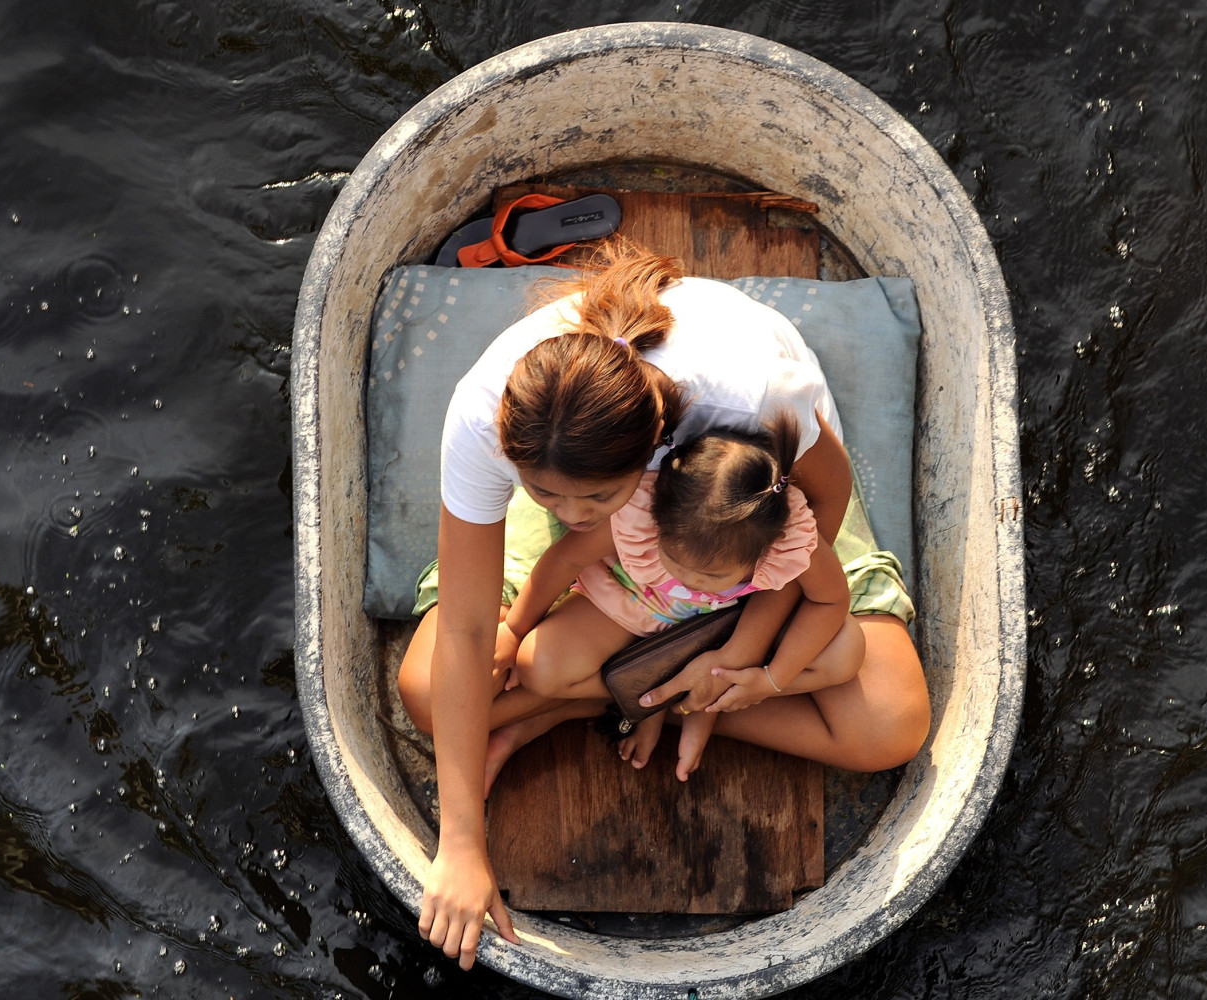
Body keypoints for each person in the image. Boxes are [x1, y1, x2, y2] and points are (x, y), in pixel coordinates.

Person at [394, 239, 928, 970]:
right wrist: (461, 844)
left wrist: (729, 667)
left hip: (751, 502)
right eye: (542, 493)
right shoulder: (490, 419)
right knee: (431, 690)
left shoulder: (753, 396)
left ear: (649, 456)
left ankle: (633, 696)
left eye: (597, 498)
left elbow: (824, 498)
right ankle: (637, 695)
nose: (569, 512)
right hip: (631, 548)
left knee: (889, 726)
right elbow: (462, 626)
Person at [496, 413, 866, 785]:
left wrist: (772, 679)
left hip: (718, 631)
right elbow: (567, 558)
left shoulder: (787, 540)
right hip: (630, 601)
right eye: (673, 559)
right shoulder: (638, 516)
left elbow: (829, 602)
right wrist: (514, 628)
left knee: (845, 652)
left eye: (714, 576)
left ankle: (686, 699)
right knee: (538, 667)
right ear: (658, 517)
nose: (690, 581)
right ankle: (657, 697)